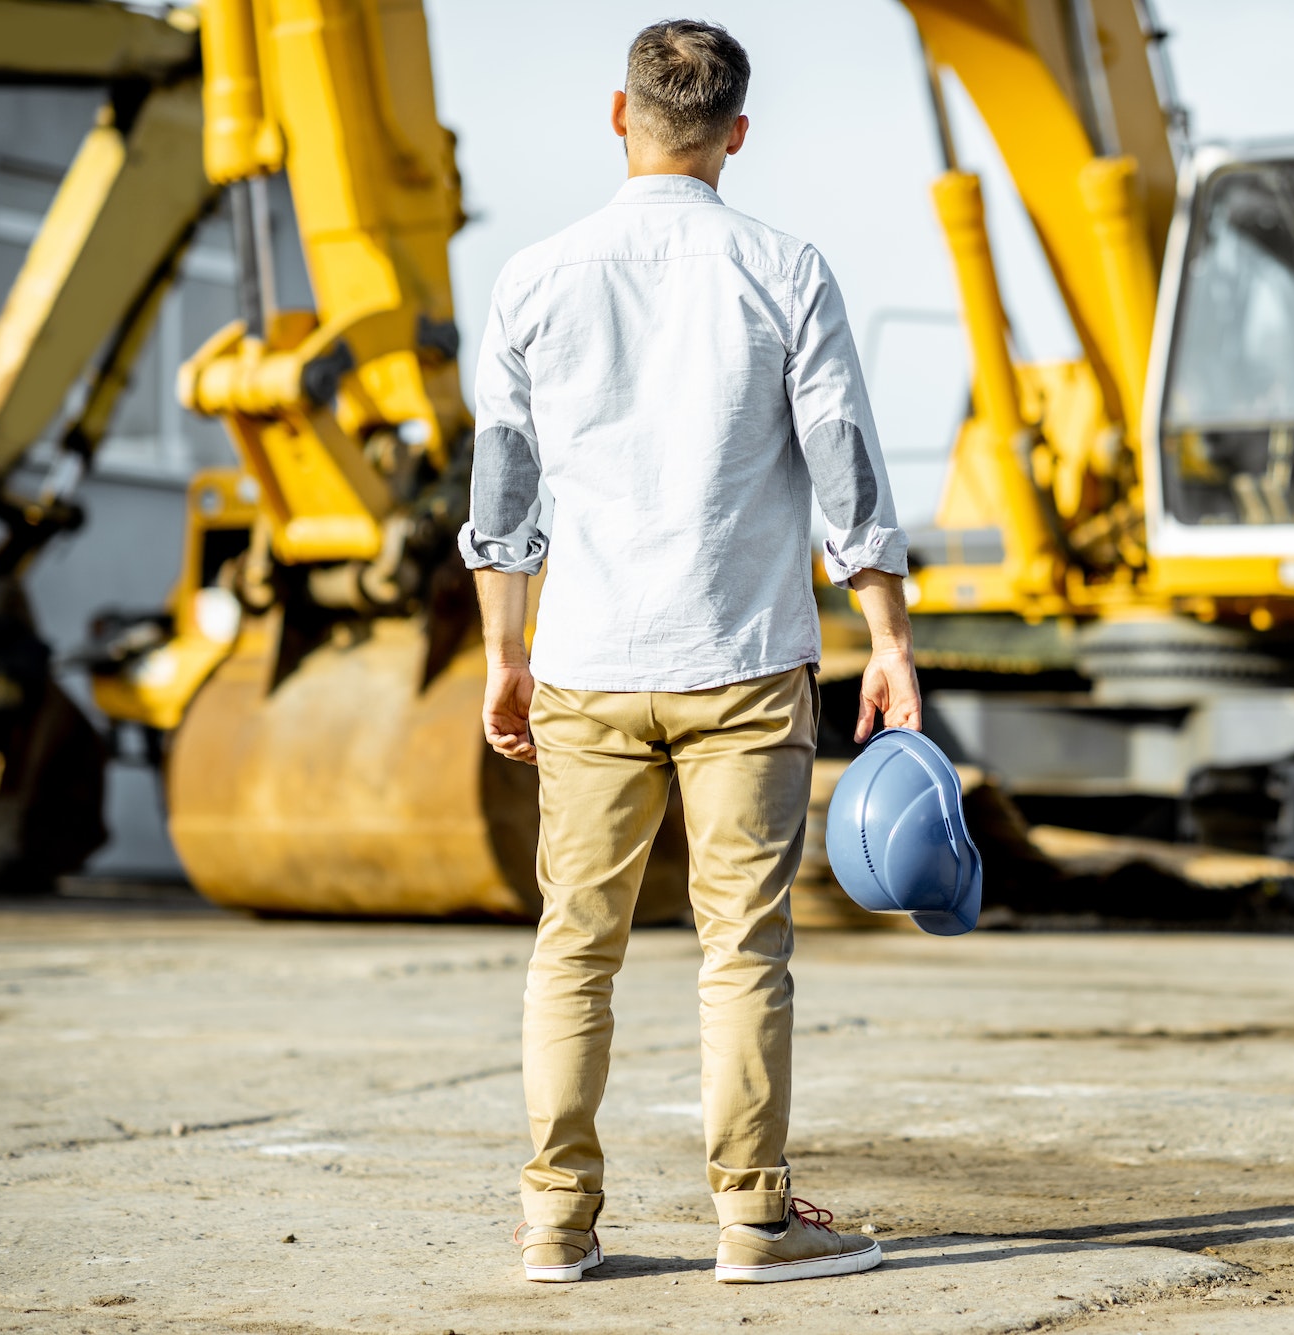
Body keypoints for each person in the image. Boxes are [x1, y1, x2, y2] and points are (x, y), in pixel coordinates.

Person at [459, 18, 918, 1286]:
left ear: (621, 119)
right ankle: (752, 1223)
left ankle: (555, 1220)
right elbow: (845, 473)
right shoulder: (787, 269)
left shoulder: (535, 278)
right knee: (743, 950)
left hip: (586, 665)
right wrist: (888, 641)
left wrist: (507, 657)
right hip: (743, 661)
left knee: (575, 944)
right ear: (735, 133)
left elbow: (501, 506)